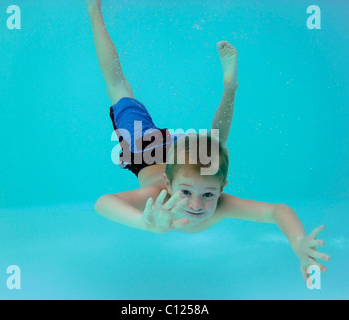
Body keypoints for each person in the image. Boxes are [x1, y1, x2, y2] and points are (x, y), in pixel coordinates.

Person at [85, 0, 329, 282]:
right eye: (185, 192)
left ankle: (230, 89)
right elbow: (103, 203)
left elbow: (278, 211)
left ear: (223, 188)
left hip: (179, 155)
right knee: (118, 86)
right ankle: (94, 9)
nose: (197, 205)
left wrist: (299, 243)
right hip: (144, 150)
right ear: (168, 184)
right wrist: (146, 223)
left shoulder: (218, 200)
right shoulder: (159, 198)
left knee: (215, 148)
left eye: (209, 195)